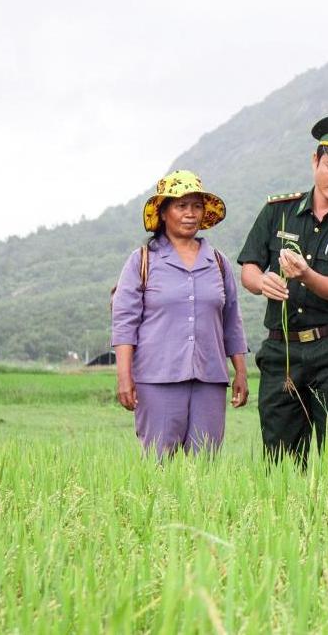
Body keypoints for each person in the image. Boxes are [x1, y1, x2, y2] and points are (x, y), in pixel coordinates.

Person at [238, 114, 328, 463]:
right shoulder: (277, 211)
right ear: (315, 161)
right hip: (282, 350)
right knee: (281, 459)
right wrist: (262, 282)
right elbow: (249, 268)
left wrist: (305, 275)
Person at [112, 170, 249, 458]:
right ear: (163, 212)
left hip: (210, 378)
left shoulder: (218, 262)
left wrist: (241, 373)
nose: (190, 214)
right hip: (157, 378)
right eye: (181, 206)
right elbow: (125, 323)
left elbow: (232, 321)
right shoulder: (142, 260)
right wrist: (124, 377)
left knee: (205, 466)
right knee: (158, 464)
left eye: (196, 206)